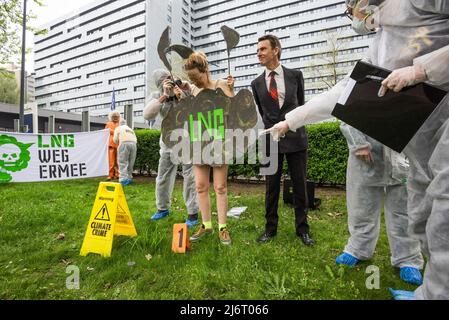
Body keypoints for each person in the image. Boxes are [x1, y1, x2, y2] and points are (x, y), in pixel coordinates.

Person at [266, 0, 449, 299]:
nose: (355, 13)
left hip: (443, 129)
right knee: (424, 215)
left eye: (355, 7)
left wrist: (423, 70)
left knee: (442, 214)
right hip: (421, 148)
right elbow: (347, 93)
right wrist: (291, 120)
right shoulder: (383, 39)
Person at [338, 123, 424, 285]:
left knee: (403, 211)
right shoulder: (360, 95)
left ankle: (408, 259)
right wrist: (358, 143)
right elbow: (347, 112)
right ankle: (358, 248)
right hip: (366, 156)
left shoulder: (409, 96)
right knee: (361, 208)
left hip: (402, 156)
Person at [251, 34, 313, 246]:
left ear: (275, 50)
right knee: (271, 188)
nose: (258, 53)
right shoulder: (256, 83)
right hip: (271, 142)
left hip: (296, 138)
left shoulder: (296, 75)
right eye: (258, 50)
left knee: (300, 186)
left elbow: (302, 106)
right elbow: (264, 111)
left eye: (263, 49)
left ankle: (303, 229)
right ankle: (270, 229)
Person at [180, 51, 235, 245]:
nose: (194, 81)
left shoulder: (220, 84)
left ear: (206, 70)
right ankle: (206, 224)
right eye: (191, 78)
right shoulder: (193, 90)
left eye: (196, 77)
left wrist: (230, 90)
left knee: (220, 187)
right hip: (198, 141)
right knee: (200, 186)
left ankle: (222, 227)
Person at [143, 69, 200, 228]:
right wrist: (164, 96)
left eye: (170, 78)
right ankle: (162, 208)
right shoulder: (157, 96)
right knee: (163, 177)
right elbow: (147, 115)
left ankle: (192, 212)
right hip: (168, 144)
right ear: (159, 84)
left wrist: (183, 89)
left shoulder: (183, 91)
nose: (169, 81)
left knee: (190, 178)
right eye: (165, 80)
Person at [113, 119, 137, 186]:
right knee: (131, 162)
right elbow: (135, 138)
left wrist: (118, 143)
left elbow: (115, 139)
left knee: (122, 162)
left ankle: (123, 180)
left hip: (124, 143)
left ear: (119, 123)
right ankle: (129, 178)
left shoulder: (118, 128)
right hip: (134, 144)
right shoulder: (130, 129)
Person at [105, 111, 120, 180]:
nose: (115, 118)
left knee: (118, 161)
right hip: (111, 145)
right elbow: (105, 132)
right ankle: (110, 175)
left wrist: (112, 131)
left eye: (117, 116)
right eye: (114, 116)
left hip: (119, 145)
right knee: (111, 161)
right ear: (111, 117)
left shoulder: (120, 124)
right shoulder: (108, 123)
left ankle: (118, 174)